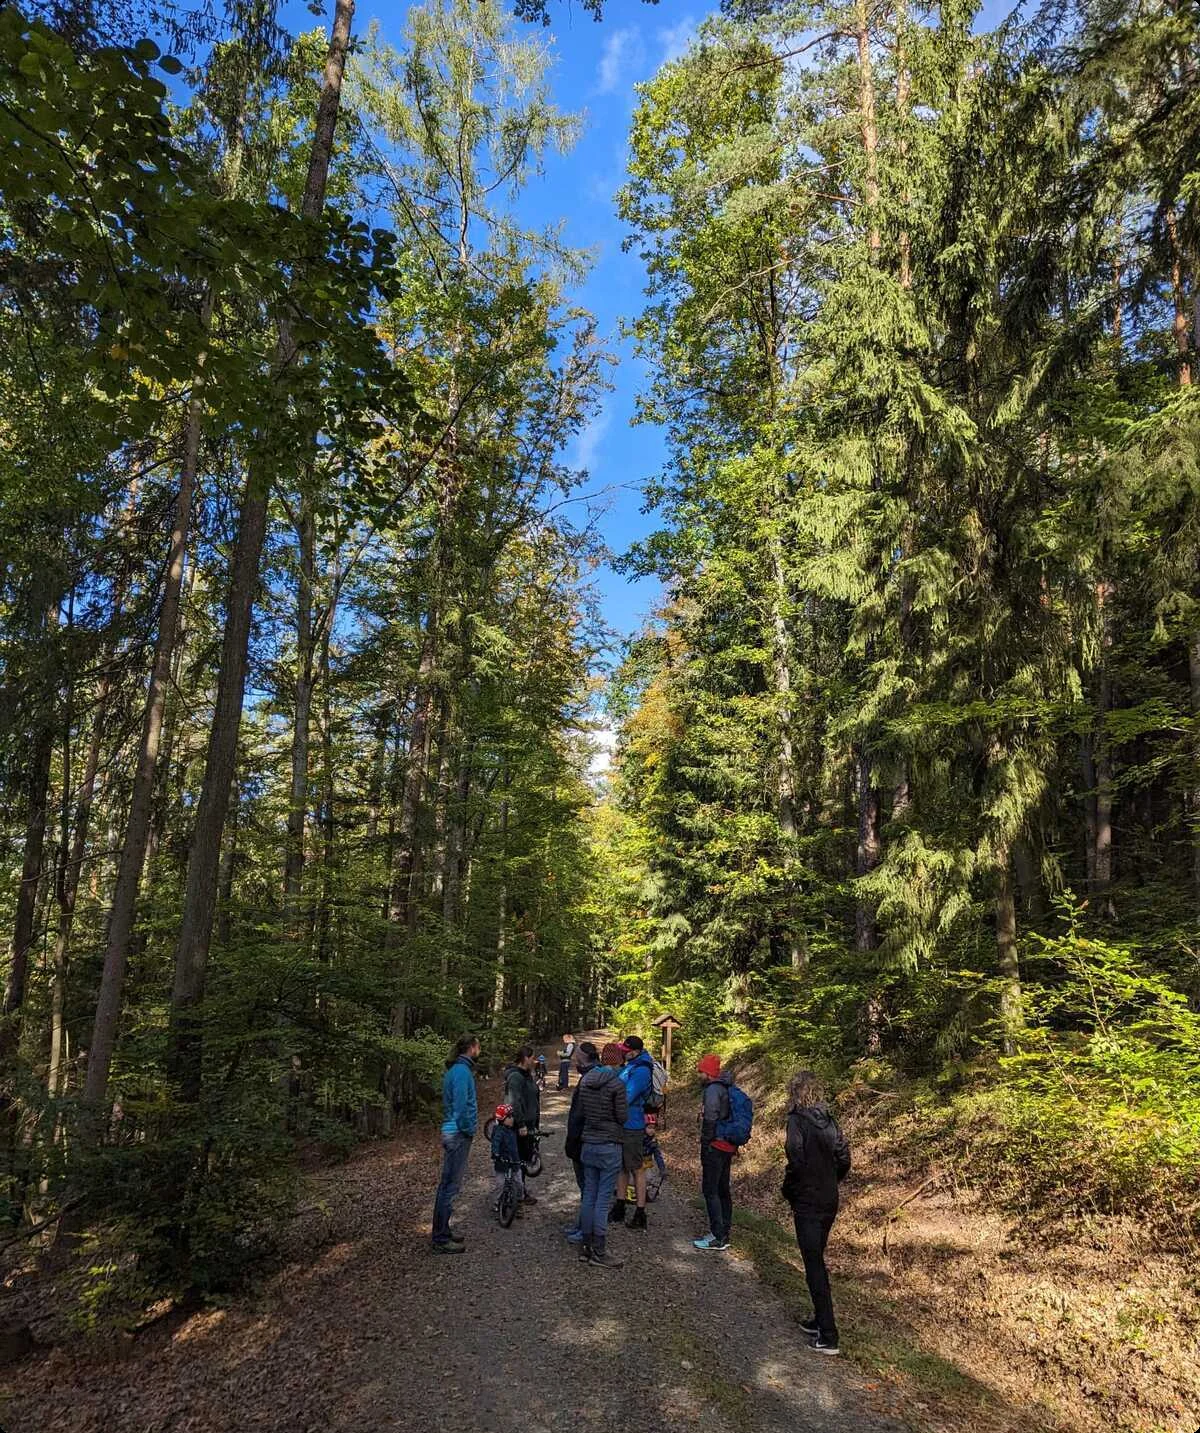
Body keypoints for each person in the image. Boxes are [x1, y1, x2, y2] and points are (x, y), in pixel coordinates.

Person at [782, 1070, 851, 1355]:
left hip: (808, 1200)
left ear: (795, 1093)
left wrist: (790, 1187)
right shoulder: (830, 1121)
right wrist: (830, 1179)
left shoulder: (797, 1122)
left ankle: (829, 1334)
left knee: (814, 1266)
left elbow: (795, 1158)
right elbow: (844, 1157)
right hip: (828, 1199)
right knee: (816, 1259)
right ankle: (818, 1320)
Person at [576, 1041, 629, 1267]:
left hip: (589, 1143)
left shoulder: (586, 1081)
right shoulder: (617, 1085)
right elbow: (623, 1116)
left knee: (589, 1194)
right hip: (609, 1145)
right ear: (617, 1061)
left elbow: (581, 1112)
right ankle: (599, 1251)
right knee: (602, 1199)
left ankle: (586, 1246)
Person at [431, 1033, 479, 1254]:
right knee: (449, 1187)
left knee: (449, 1186)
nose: (480, 1050)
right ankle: (440, 1238)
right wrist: (469, 1129)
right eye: (478, 1046)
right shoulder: (461, 1072)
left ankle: (444, 1231)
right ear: (471, 1048)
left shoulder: (458, 1070)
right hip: (457, 1134)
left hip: (454, 1132)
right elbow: (460, 1106)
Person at [609, 1034, 654, 1231]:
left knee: (637, 1168)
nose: (623, 1053)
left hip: (633, 1126)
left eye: (626, 1051)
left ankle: (640, 1212)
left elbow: (627, 1096)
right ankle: (619, 1205)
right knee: (621, 1167)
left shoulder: (642, 1070)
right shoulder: (631, 1066)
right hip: (622, 1124)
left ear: (634, 1052)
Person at [693, 1052, 736, 1251]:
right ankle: (724, 1231)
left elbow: (710, 1118)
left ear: (708, 1073)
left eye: (701, 1071)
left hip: (715, 1146)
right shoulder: (726, 1087)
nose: (699, 1075)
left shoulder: (712, 1090)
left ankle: (717, 1236)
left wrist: (705, 1141)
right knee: (722, 1189)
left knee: (711, 1190)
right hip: (727, 1144)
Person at [562, 1041, 599, 1242]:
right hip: (589, 1139)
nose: (575, 1060)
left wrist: (573, 1142)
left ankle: (586, 1230)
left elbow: (579, 1115)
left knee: (587, 1188)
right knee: (587, 1187)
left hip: (585, 1141)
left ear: (584, 1059)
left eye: (577, 1057)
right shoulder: (595, 1076)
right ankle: (582, 1225)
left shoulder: (589, 1081)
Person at [503, 1045, 541, 1205]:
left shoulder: (527, 1075)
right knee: (516, 1161)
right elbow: (514, 1101)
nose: (534, 1061)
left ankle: (520, 1191)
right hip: (520, 1127)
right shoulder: (516, 1077)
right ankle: (512, 1196)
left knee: (525, 1160)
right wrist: (521, 1124)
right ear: (525, 1058)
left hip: (530, 1125)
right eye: (532, 1058)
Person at [490, 1103, 523, 1212]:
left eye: (512, 1116)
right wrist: (495, 1154)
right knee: (500, 1184)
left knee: (519, 1182)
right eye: (509, 1116)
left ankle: (519, 1200)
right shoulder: (498, 1131)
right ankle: (497, 1202)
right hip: (502, 1161)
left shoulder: (513, 1130)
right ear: (502, 1119)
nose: (512, 1118)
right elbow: (495, 1143)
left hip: (515, 1160)